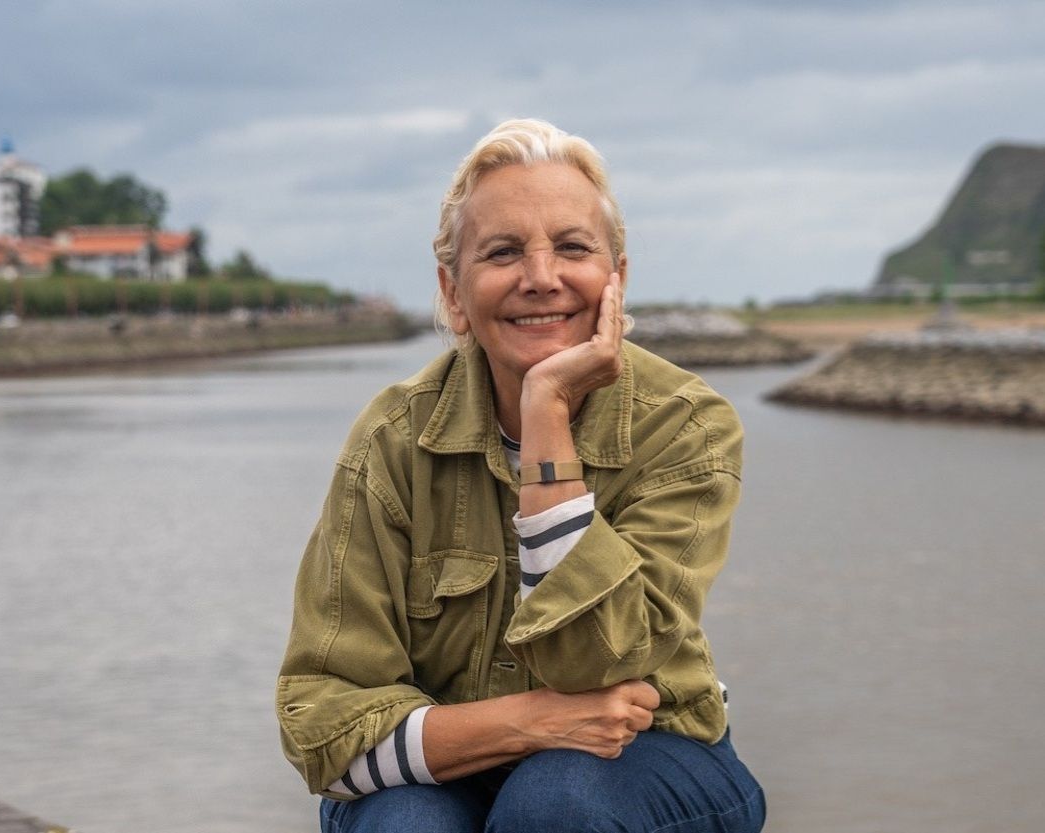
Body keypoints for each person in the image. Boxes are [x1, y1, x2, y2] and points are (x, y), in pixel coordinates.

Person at [277, 118, 765, 833]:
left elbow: (593, 660)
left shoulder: (687, 426)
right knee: (406, 823)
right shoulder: (390, 440)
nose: (541, 278)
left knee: (553, 801)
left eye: (572, 247)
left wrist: (547, 414)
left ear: (617, 280)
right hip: (448, 770)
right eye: (504, 252)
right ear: (453, 292)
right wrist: (527, 721)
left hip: (651, 758)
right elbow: (320, 726)